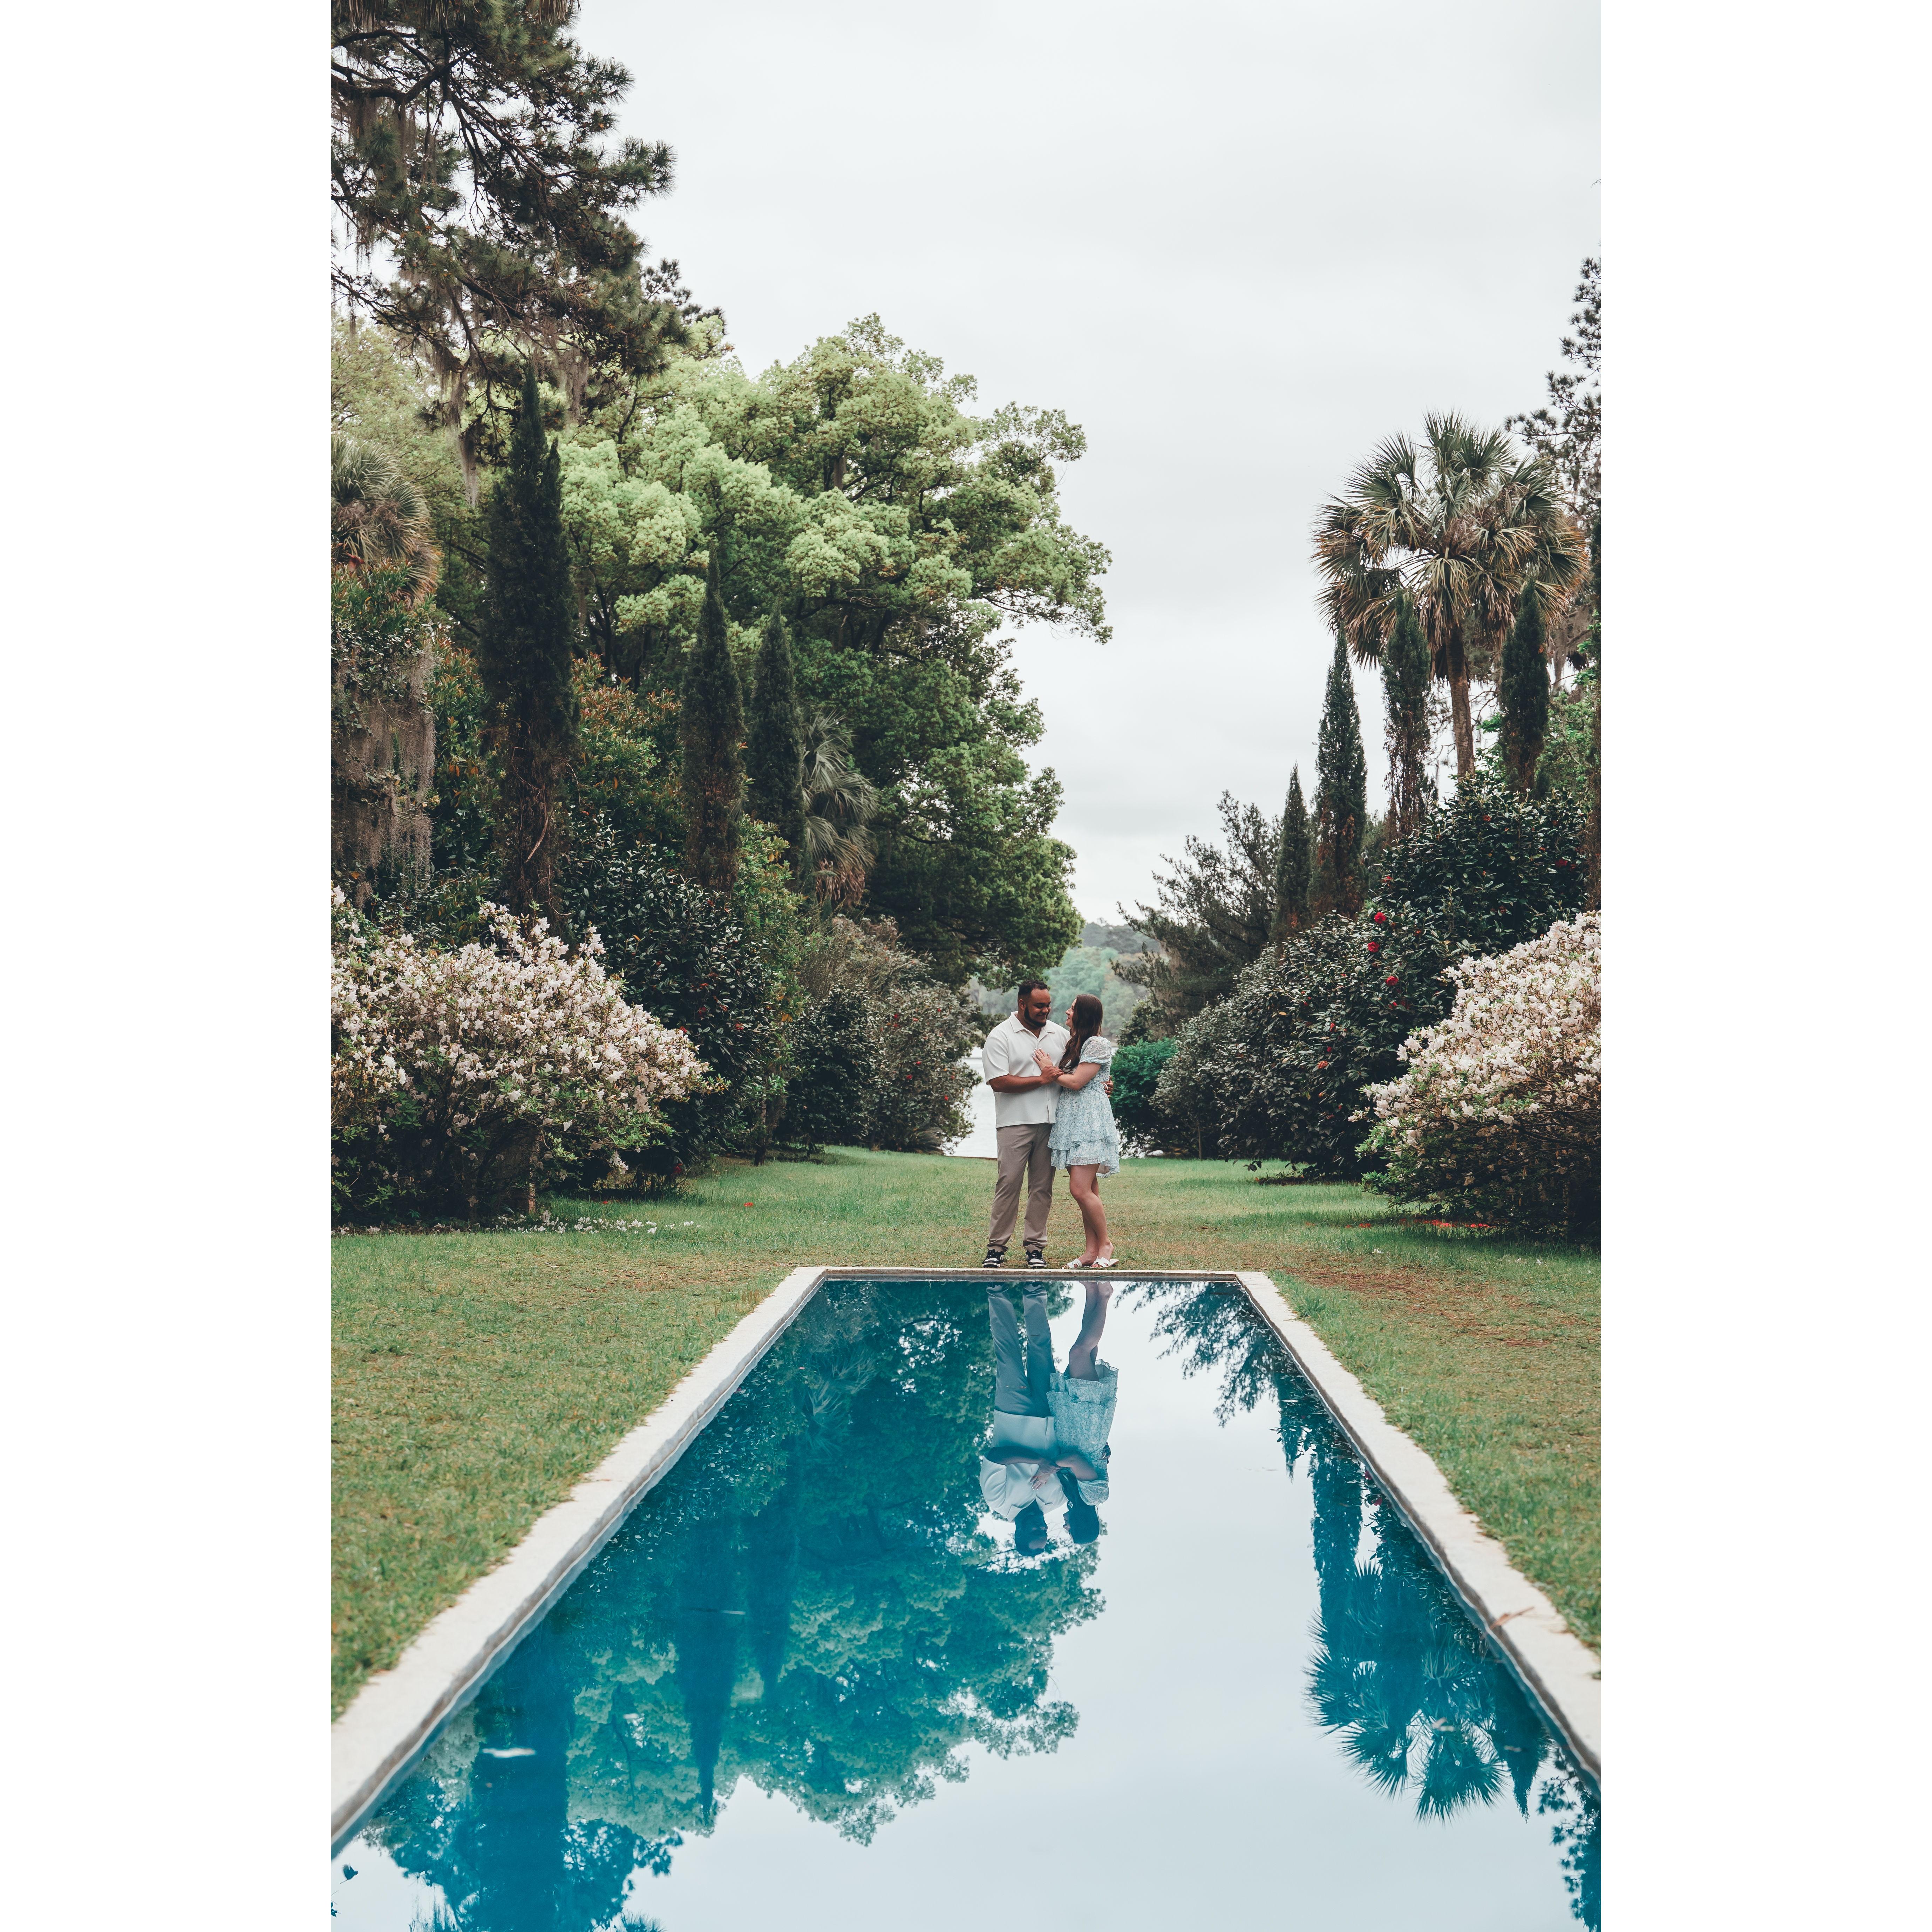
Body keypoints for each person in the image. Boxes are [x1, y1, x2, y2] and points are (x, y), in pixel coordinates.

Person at [979, 980, 1068, 1269]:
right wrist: (1042, 1079)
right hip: (1014, 1122)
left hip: (1052, 1123)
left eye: (1048, 1005)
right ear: (1022, 1004)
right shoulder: (1000, 1036)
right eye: (1039, 1006)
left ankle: (1035, 1249)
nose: (1046, 1010)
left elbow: (1076, 1072)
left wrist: (1101, 1086)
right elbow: (998, 1082)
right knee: (1008, 1184)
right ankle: (996, 1249)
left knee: (1042, 1188)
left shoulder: (1061, 1035)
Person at [1035, 992, 1122, 1268]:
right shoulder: (1077, 1042)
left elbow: (1076, 1083)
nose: (1067, 1012)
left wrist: (1049, 1069)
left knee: (1080, 1189)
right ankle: (1090, 1251)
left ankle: (1106, 1244)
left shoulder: (1097, 1043)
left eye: (1072, 1009)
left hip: (1089, 1123)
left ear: (1084, 1014)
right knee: (1089, 1189)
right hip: (1073, 1123)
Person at [977, 1282, 1066, 1553]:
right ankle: (1034, 1289)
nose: (1042, 1527)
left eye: (1035, 1532)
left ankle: (997, 1288)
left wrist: (1041, 1463)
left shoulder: (998, 1501)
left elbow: (997, 1457)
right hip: (1050, 1414)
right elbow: (1072, 1464)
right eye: (1045, 1532)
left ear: (1019, 1534)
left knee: (1008, 1352)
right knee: (1042, 1348)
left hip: (1013, 1414)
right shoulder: (1058, 1501)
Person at [1047, 1278, 1117, 1545]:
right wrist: (1049, 1468)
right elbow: (1076, 1460)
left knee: (1086, 1352)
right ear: (1081, 1524)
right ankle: (1105, 1295)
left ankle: (1091, 1290)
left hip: (1075, 1422)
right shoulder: (1095, 1498)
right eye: (1070, 1530)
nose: (1065, 1527)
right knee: (1079, 1353)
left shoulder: (1074, 1496)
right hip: (1087, 1425)